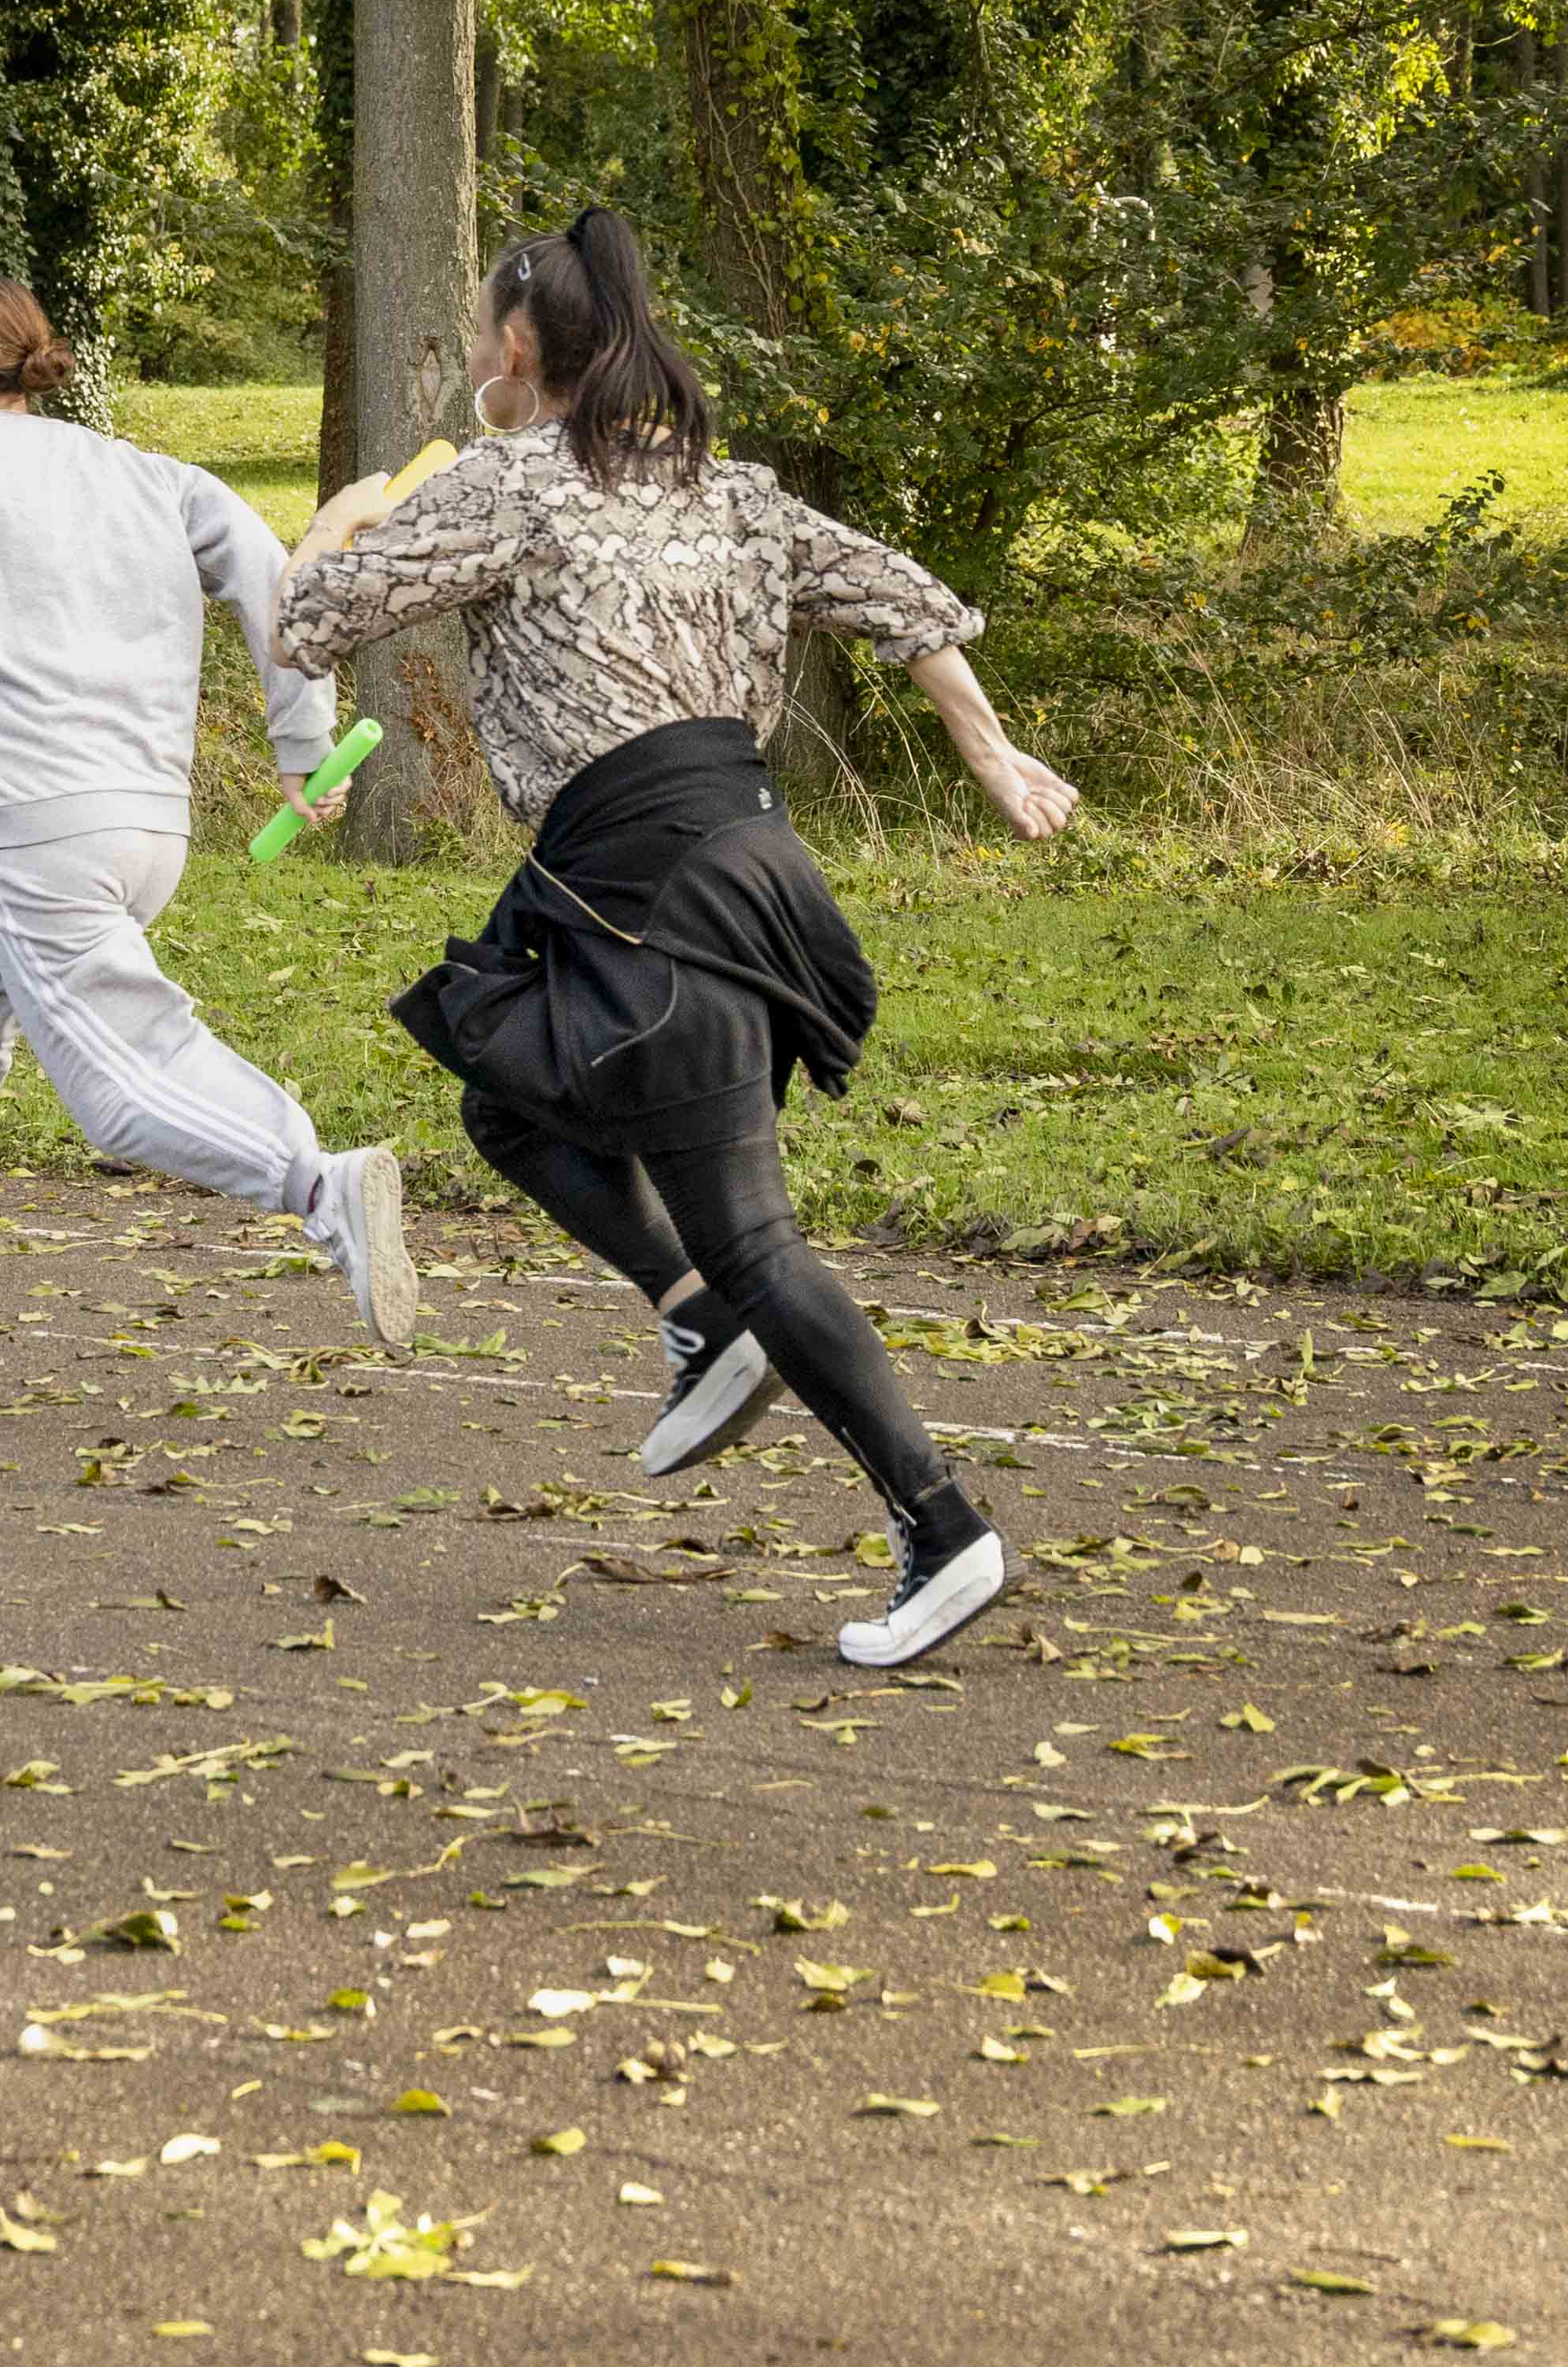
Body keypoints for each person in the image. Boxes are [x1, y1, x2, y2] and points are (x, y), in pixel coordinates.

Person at [274, 211, 1078, 1666]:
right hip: (731, 868)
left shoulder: (515, 487)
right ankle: (702, 1320)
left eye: (474, 337)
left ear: (519, 350)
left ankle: (942, 1527)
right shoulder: (729, 491)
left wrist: (339, 520)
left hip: (655, 903)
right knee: (500, 1083)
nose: (470, 361)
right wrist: (994, 757)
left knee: (757, 1237)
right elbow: (904, 607)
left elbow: (305, 622)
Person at [0, 274, 419, 1394]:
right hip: (143, 828)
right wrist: (296, 742)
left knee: (121, 1081)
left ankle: (321, 1188)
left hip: (39, 830)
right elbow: (277, 580)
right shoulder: (146, 474)